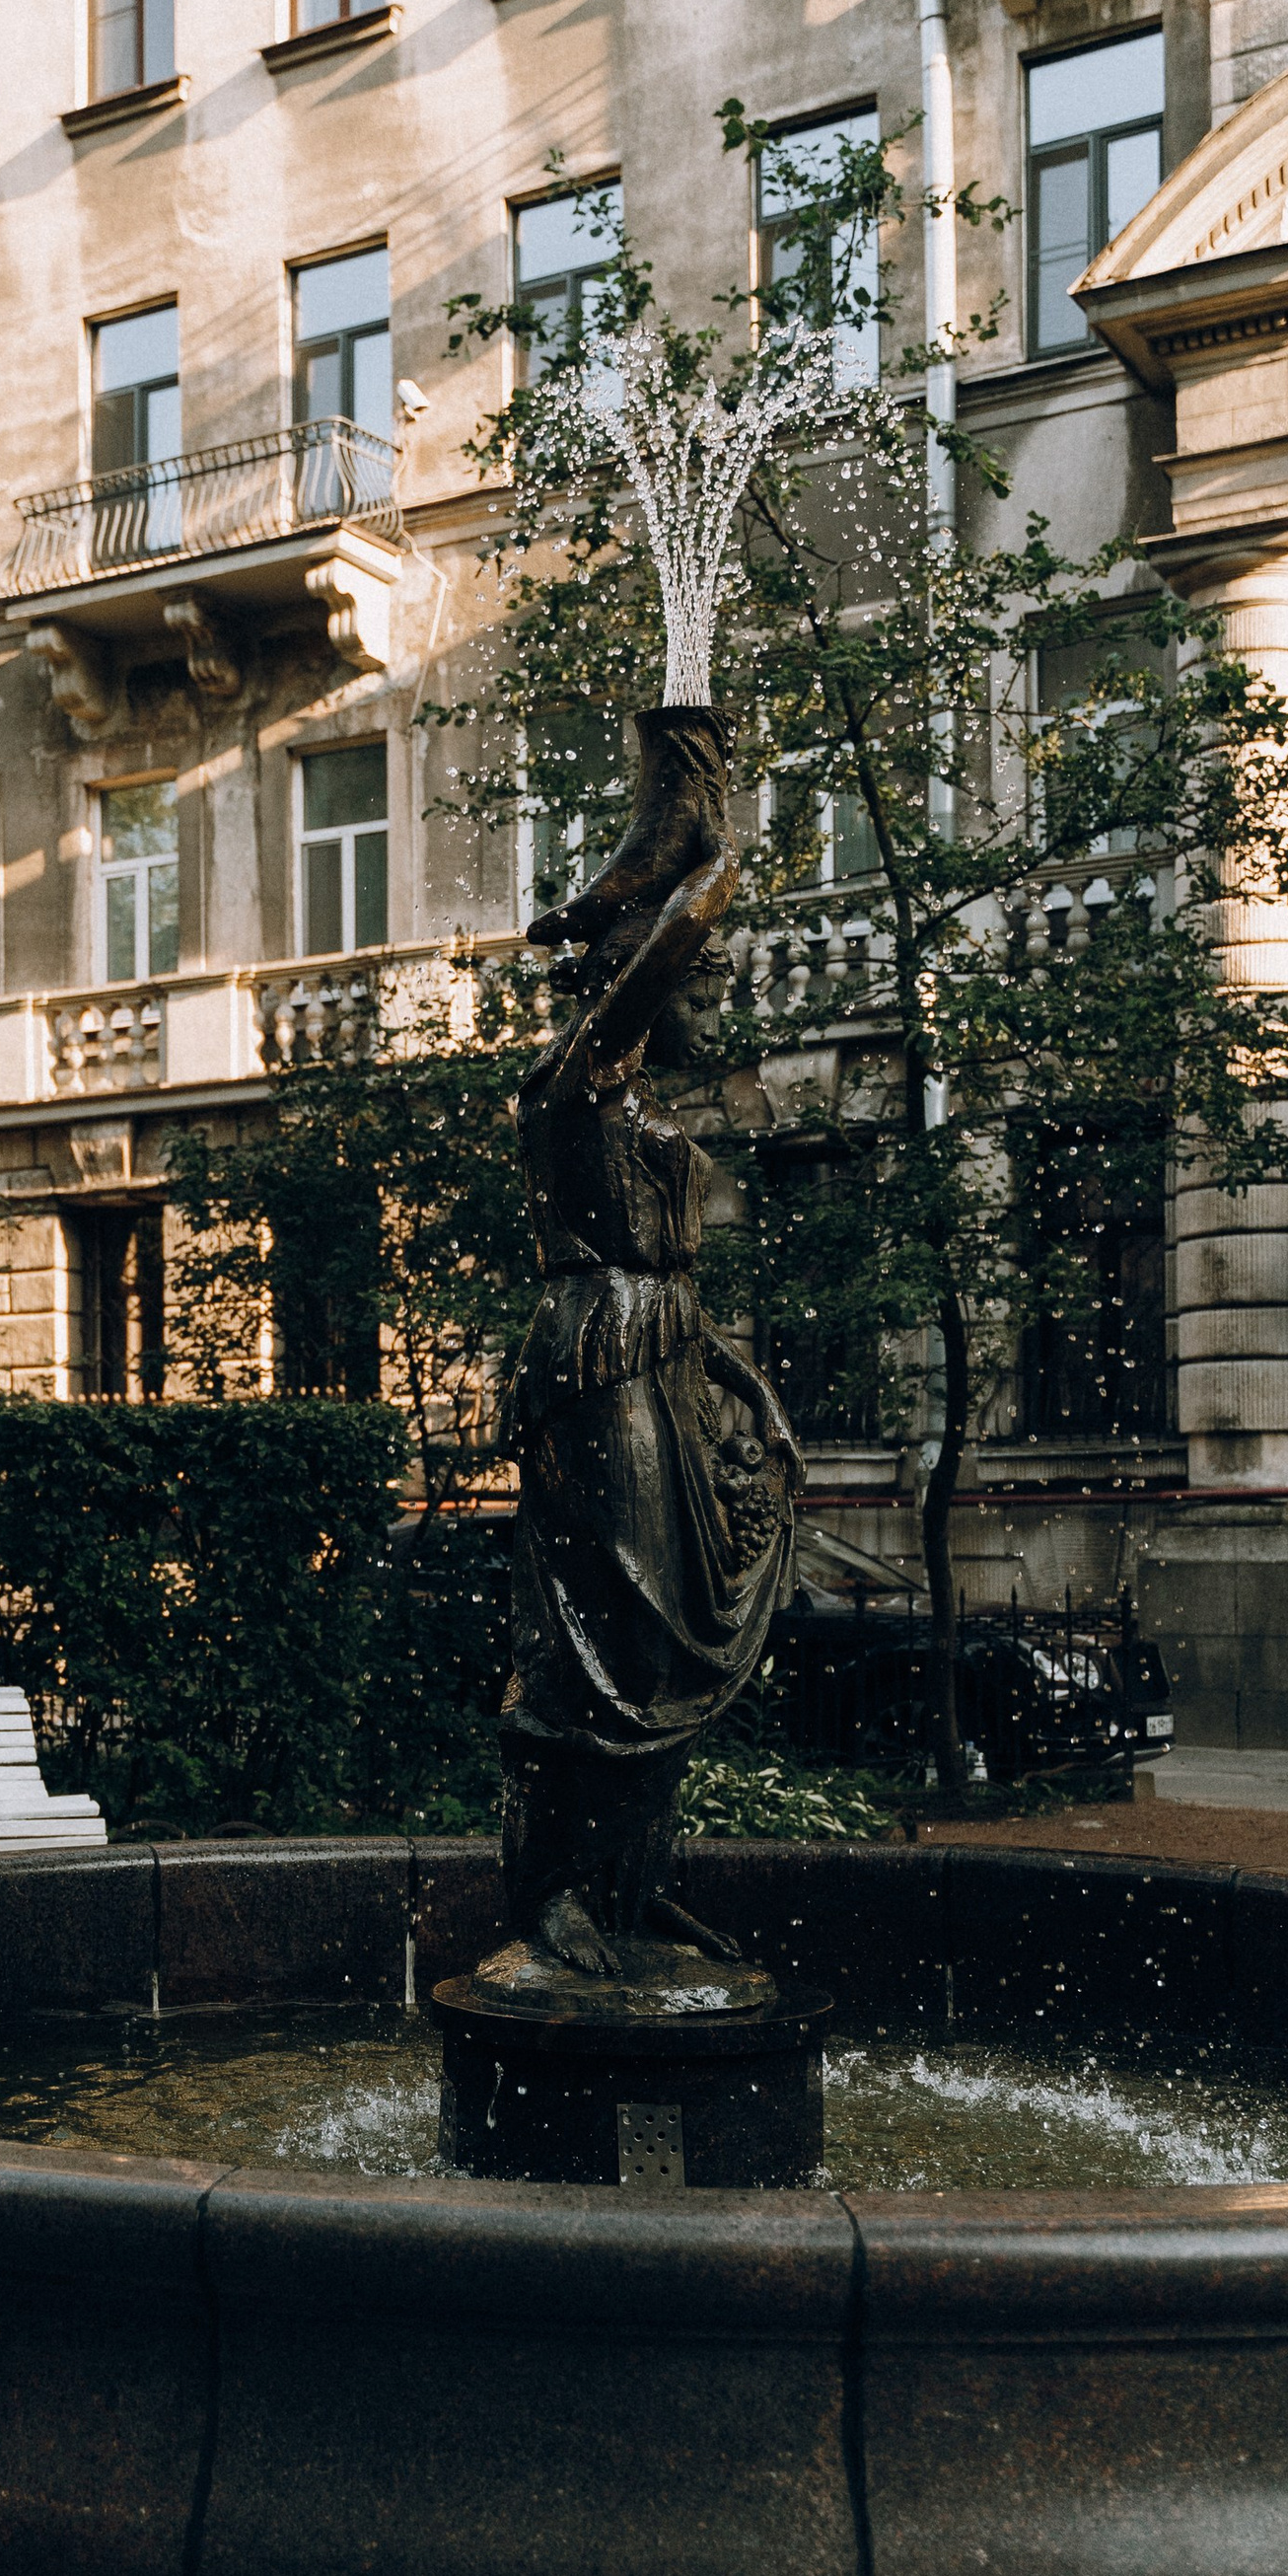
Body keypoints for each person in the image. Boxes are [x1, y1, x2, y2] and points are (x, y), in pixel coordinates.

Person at [500, 711, 801, 1976]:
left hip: (663, 1353)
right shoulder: (568, 1086)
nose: (714, 994)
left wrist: (750, 1394)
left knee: (668, 1636)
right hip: (594, 1362)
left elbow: (682, 1290)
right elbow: (670, 938)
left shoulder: (648, 1115)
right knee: (607, 1633)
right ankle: (556, 1898)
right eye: (703, 980)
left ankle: (633, 1885)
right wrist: (703, 835)